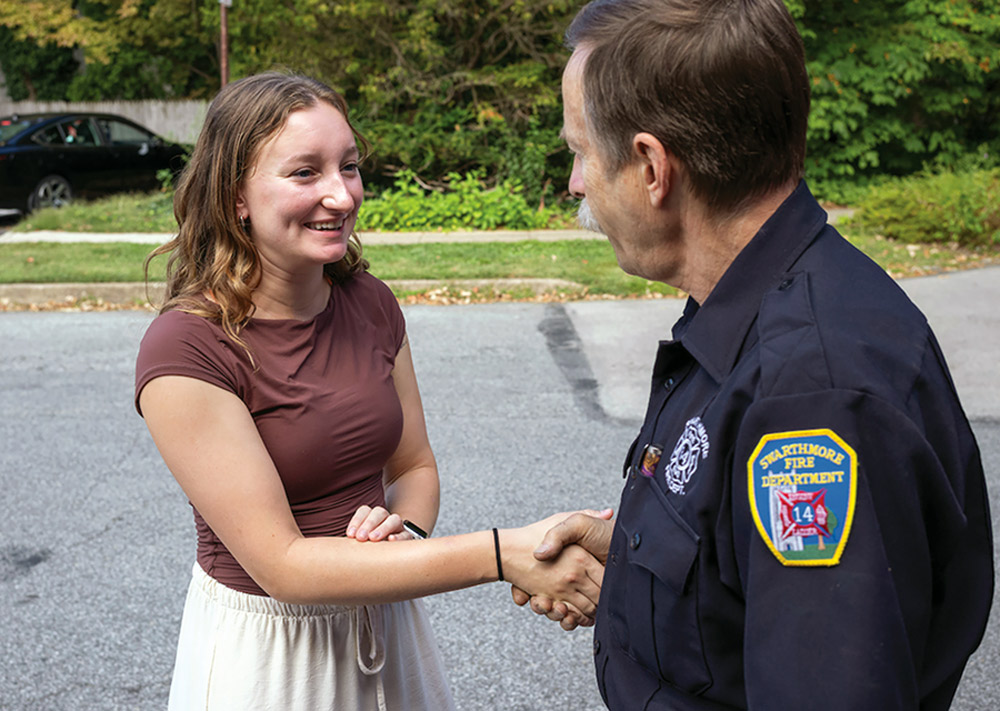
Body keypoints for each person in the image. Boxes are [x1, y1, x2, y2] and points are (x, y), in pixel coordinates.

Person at [513, 1, 995, 709]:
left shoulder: (812, 399)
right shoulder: (752, 311)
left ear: (651, 166)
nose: (575, 182)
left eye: (580, 151)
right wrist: (632, 556)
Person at [134, 71, 606, 711]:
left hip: (388, 622)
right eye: (305, 173)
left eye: (349, 167)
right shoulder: (187, 349)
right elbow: (286, 568)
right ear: (235, 195)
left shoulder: (371, 303)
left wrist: (404, 532)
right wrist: (502, 553)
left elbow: (414, 465)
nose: (340, 194)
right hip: (271, 654)